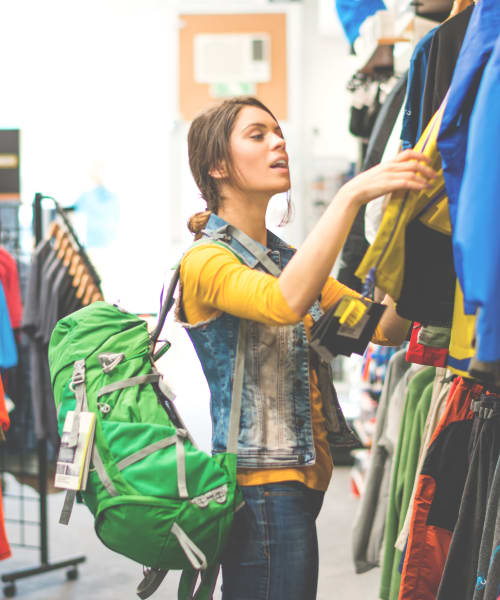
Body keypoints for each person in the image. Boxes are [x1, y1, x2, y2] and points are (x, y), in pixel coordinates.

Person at [177, 96, 437, 600]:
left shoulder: (283, 258)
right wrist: (349, 197)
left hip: (299, 484)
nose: (279, 143)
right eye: (257, 135)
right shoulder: (205, 261)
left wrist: (411, 243)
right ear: (217, 165)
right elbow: (282, 303)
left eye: (279, 133)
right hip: (260, 490)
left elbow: (382, 328)